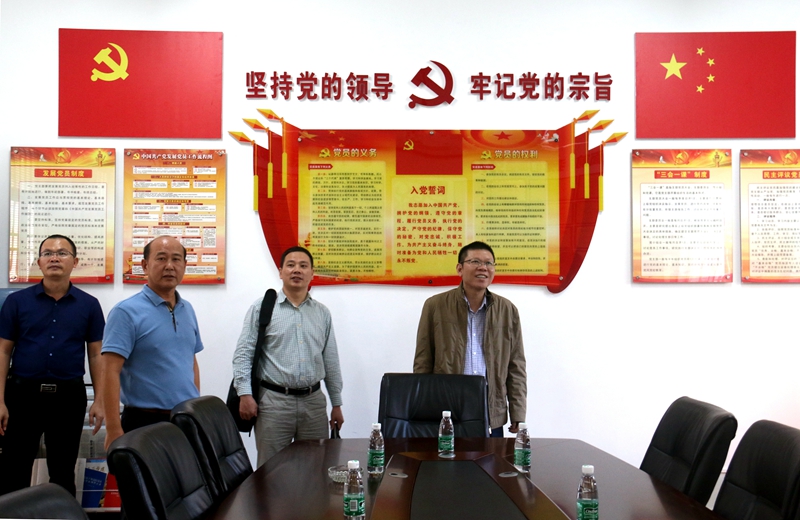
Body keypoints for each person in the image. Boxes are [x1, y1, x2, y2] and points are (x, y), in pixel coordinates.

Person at [0, 235, 105, 496]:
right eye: (47, 253)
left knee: (63, 471)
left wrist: (100, 399)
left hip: (68, 398)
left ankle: (61, 513)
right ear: (39, 262)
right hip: (22, 396)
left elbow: (96, 355)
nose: (54, 258)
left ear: (75, 262)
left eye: (62, 253)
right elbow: (3, 351)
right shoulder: (17, 302)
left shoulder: (89, 305)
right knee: (13, 471)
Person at [232, 246, 344, 466]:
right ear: (281, 271)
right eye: (291, 265)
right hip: (274, 403)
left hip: (313, 404)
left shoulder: (322, 313)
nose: (297, 270)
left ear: (312, 273)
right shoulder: (262, 308)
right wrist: (245, 394)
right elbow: (243, 354)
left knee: (315, 469)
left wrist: (337, 404)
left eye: (303, 266)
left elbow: (330, 361)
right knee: (271, 470)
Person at [414, 241, 527, 437]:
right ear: (460, 268)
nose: (483, 267)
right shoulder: (435, 306)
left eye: (489, 263)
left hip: (490, 407)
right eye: (475, 262)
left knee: (491, 457)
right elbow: (423, 362)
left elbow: (516, 365)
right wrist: (423, 408)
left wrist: (518, 411)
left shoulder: (507, 310)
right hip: (447, 406)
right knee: (446, 457)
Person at [101, 236, 203, 450]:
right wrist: (113, 428)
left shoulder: (188, 309)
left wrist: (195, 408)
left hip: (185, 419)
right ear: (145, 265)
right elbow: (109, 371)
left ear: (185, 265)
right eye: (161, 258)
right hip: (143, 421)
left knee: (188, 473)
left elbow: (190, 361)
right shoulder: (125, 312)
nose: (169, 266)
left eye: (176, 259)